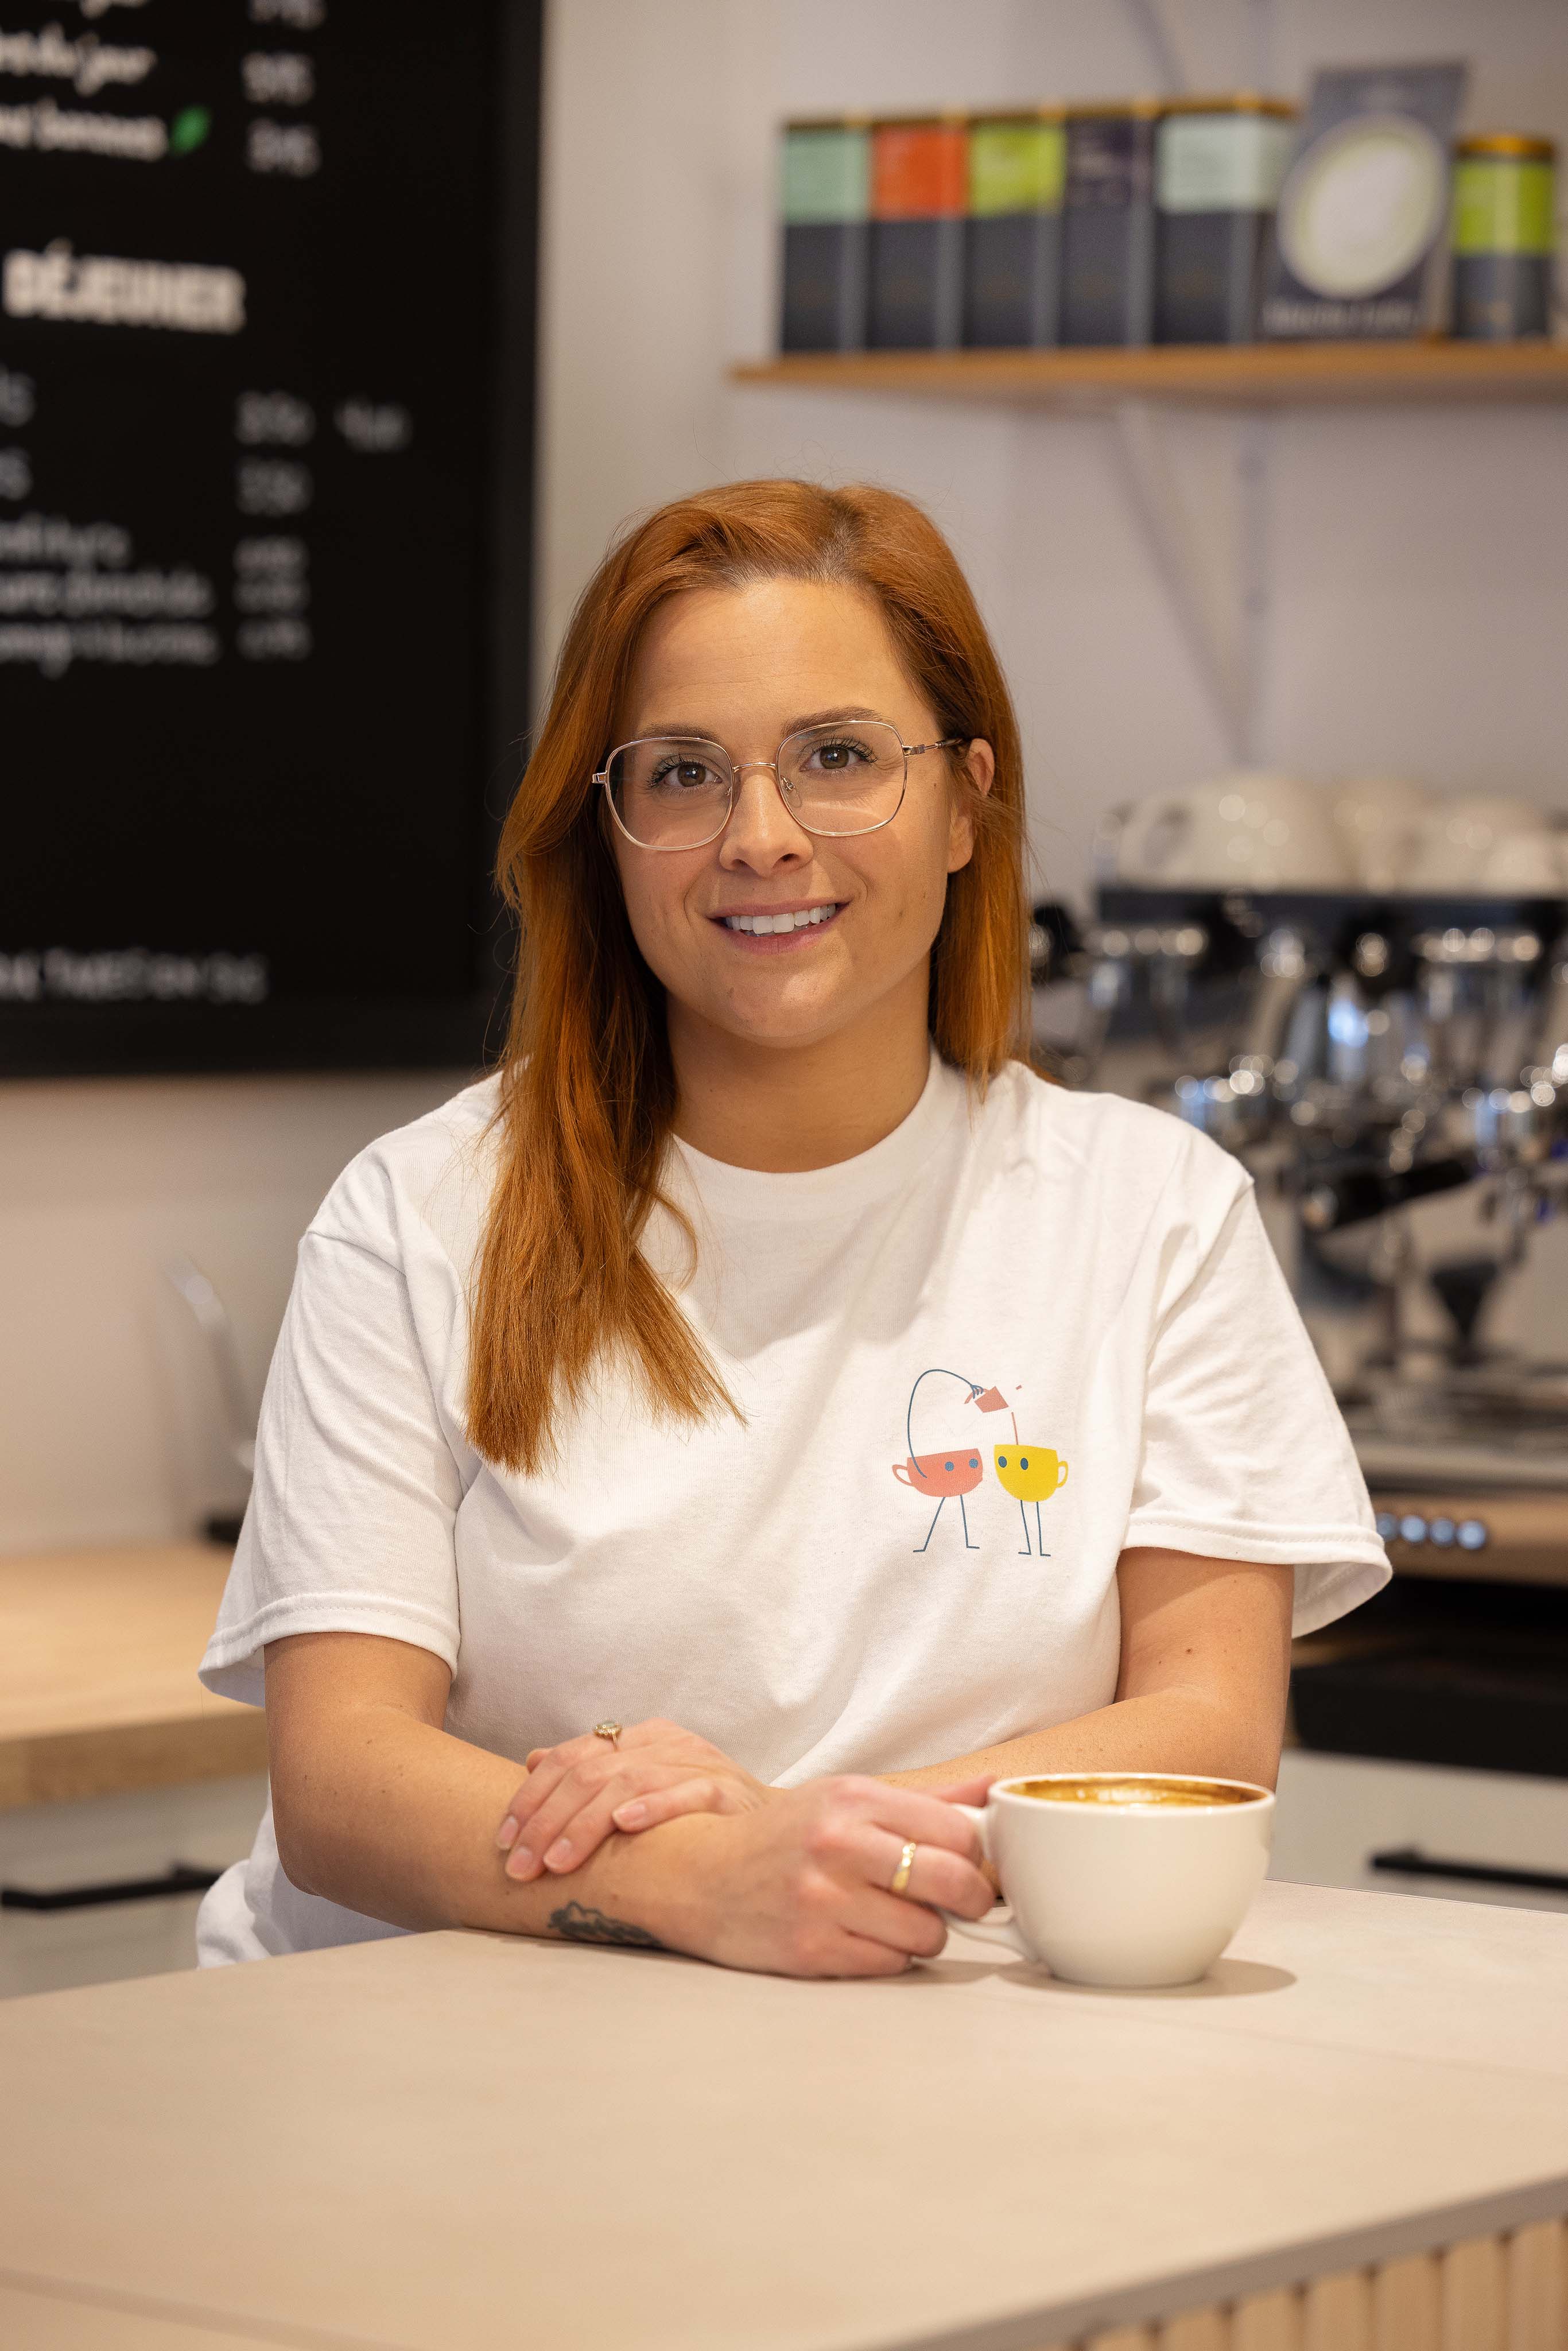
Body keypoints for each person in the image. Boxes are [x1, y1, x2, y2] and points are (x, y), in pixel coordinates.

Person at [197, 479, 1388, 1976]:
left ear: (964, 802)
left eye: (837, 758)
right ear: (609, 829)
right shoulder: (424, 1214)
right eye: (683, 773)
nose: (759, 836)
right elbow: (342, 1786)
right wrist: (703, 1876)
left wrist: (806, 1834)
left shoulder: (1146, 1213)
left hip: (902, 2049)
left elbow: (1205, 1727)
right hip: (430, 2071)